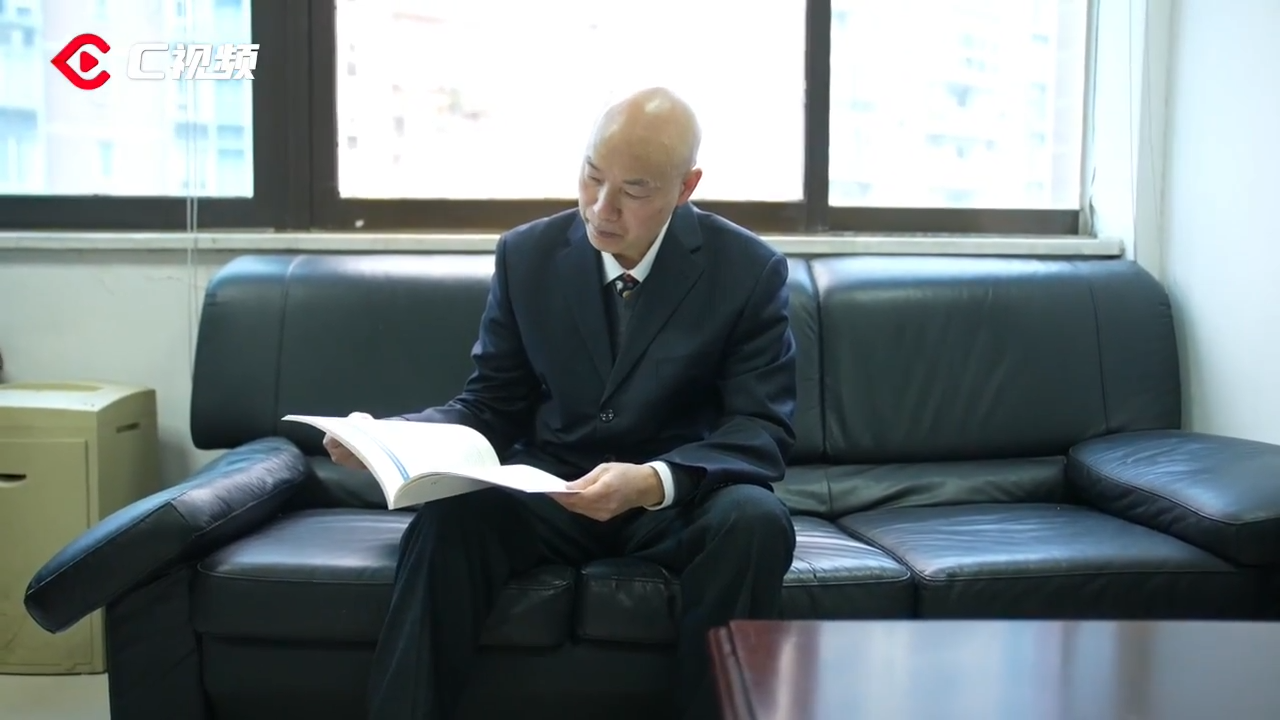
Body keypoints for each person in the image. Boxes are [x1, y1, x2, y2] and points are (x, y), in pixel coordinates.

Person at [325, 87, 799, 720]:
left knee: (756, 521)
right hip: (550, 492)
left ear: (686, 187)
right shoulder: (527, 256)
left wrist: (652, 481)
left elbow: (760, 427)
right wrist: (391, 439)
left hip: (676, 500)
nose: (602, 209)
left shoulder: (747, 270)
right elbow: (490, 403)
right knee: (450, 520)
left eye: (633, 191)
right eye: (592, 176)